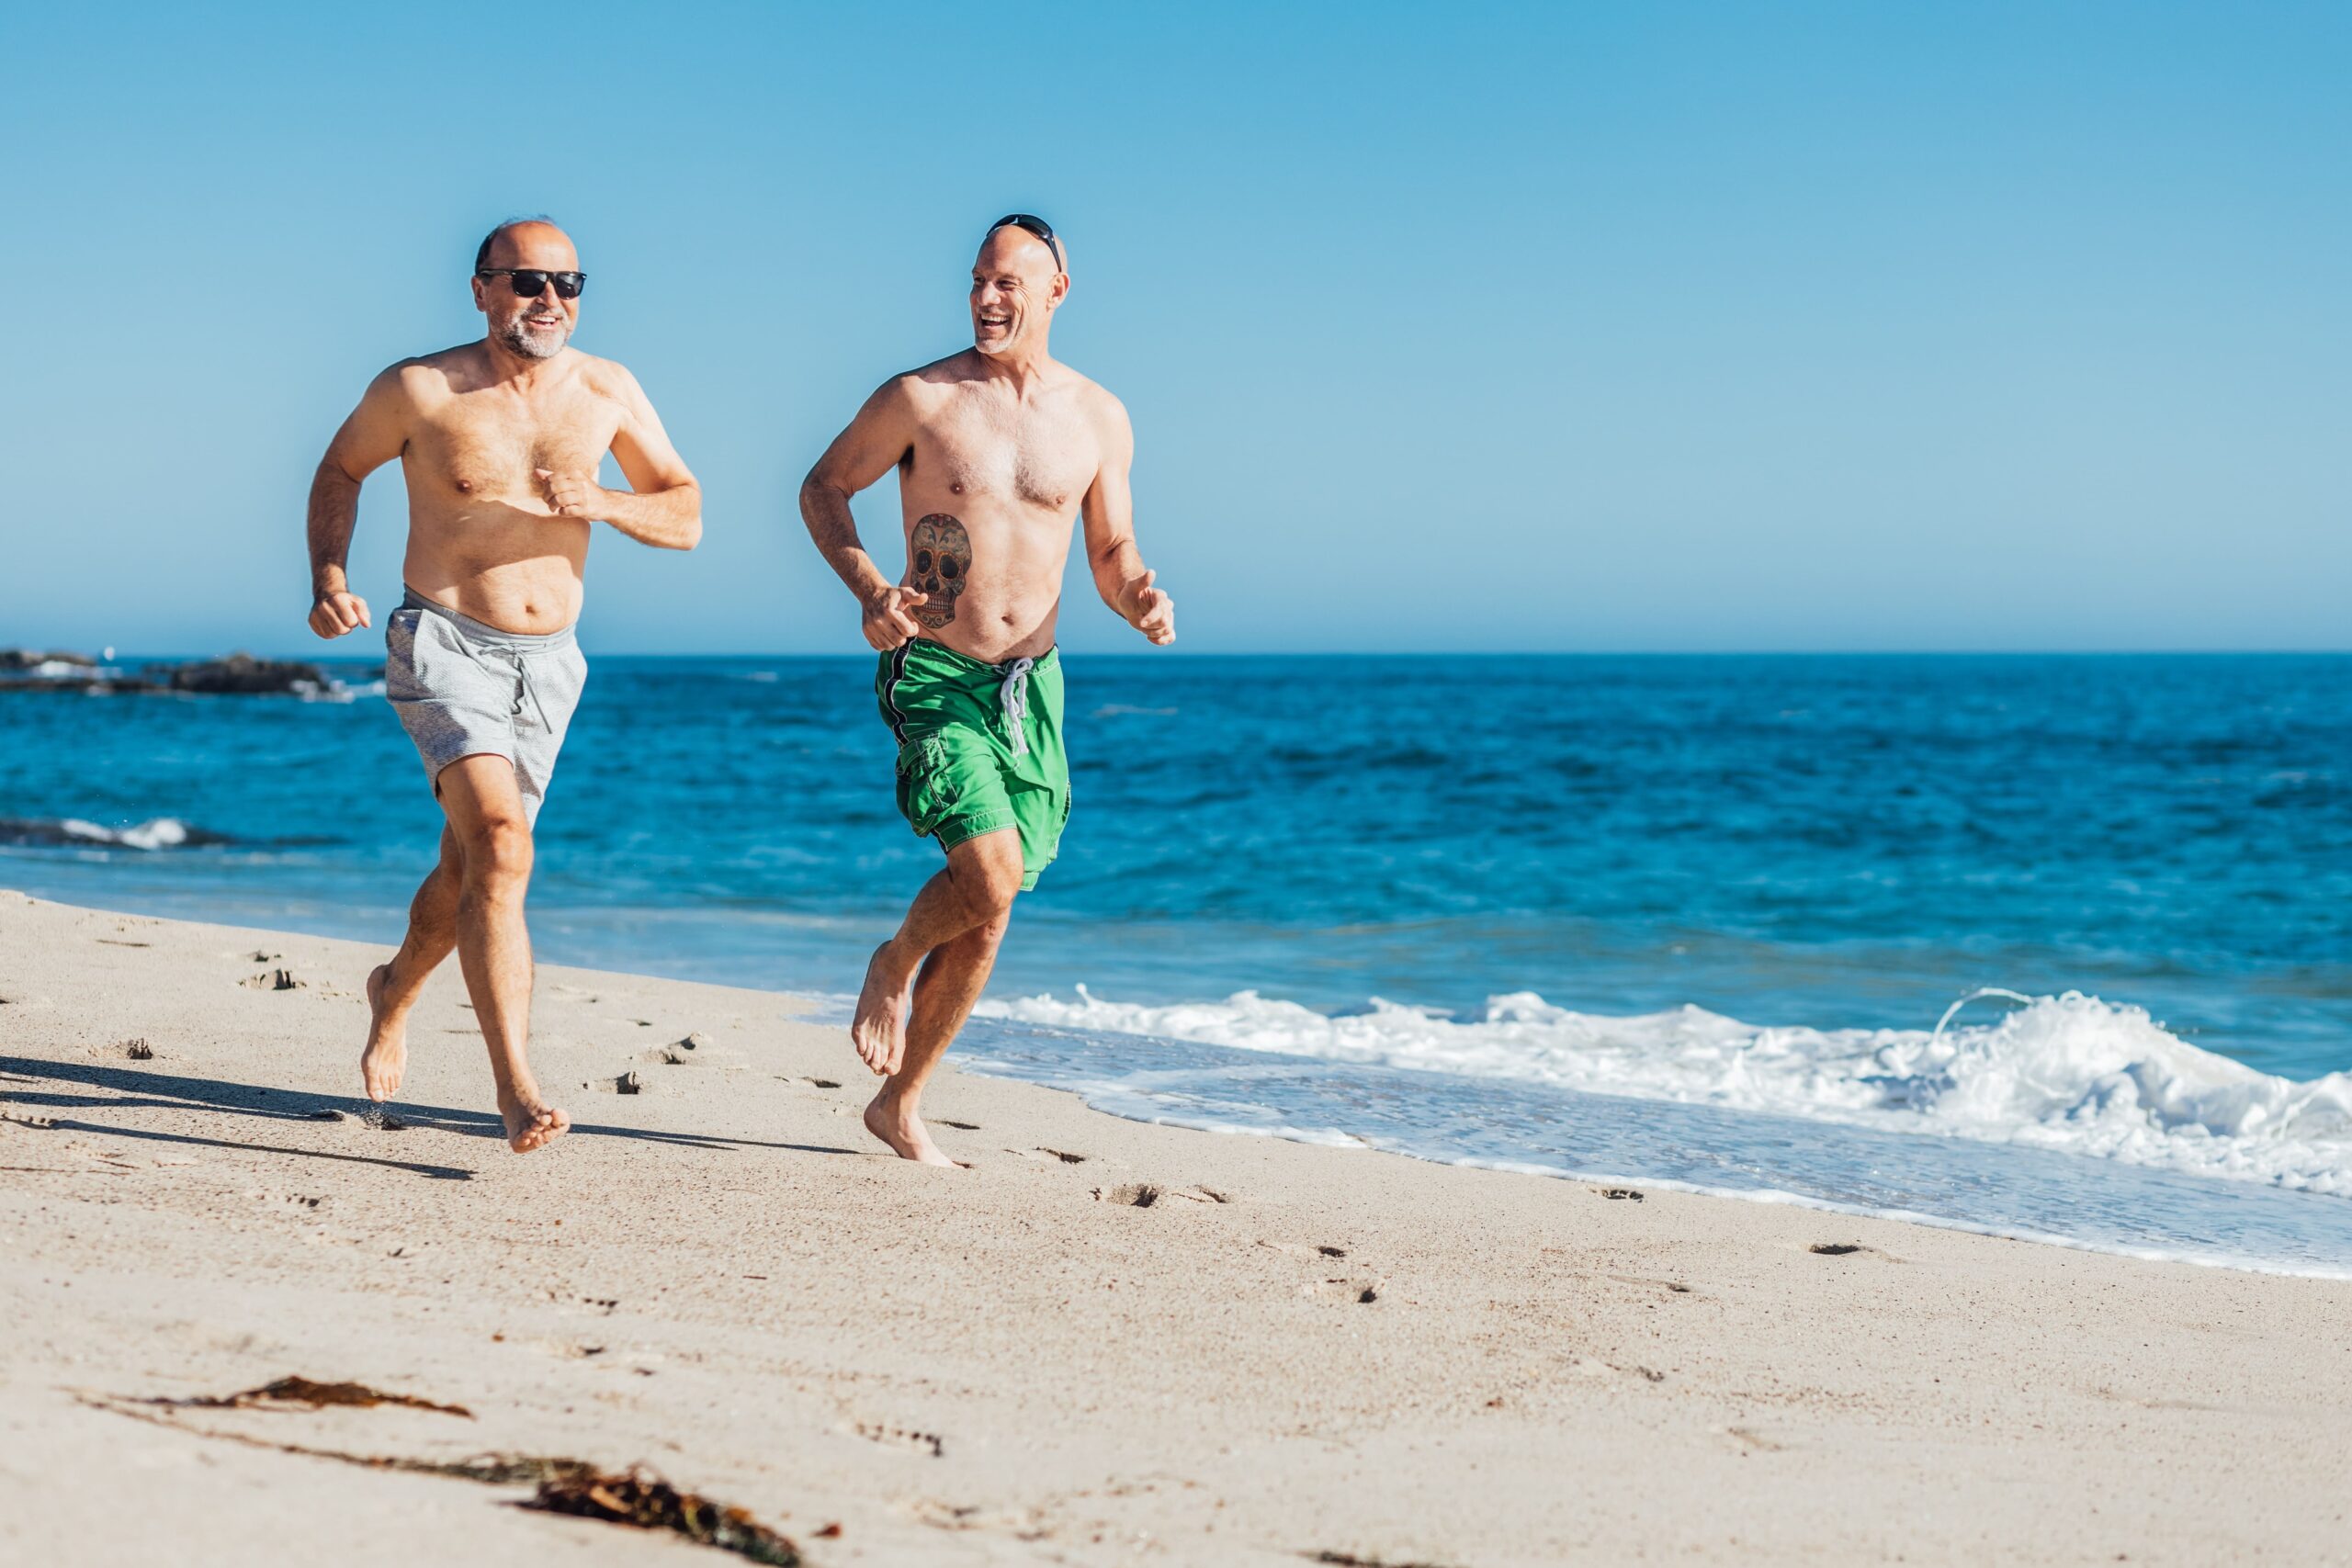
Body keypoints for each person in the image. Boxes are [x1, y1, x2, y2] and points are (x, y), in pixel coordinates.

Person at [304, 218, 702, 1152]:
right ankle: (515, 1088)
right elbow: (339, 468)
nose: (548, 301)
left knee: (471, 862)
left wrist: (601, 500)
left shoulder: (607, 389)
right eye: (525, 282)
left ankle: (394, 988)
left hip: (551, 664)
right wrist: (329, 578)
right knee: (502, 845)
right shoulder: (419, 389)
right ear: (480, 288)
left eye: (568, 284)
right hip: (442, 639)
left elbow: (685, 514)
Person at [800, 214, 1176, 1165]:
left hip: (1030, 688)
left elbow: (1108, 547)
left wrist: (1137, 594)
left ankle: (899, 1103)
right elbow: (823, 487)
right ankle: (894, 959)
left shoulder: (1098, 415)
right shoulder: (921, 399)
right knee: (989, 874)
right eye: (977, 279)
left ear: (1057, 291)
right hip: (931, 668)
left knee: (994, 899)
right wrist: (868, 590)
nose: (986, 297)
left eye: (1008, 282)